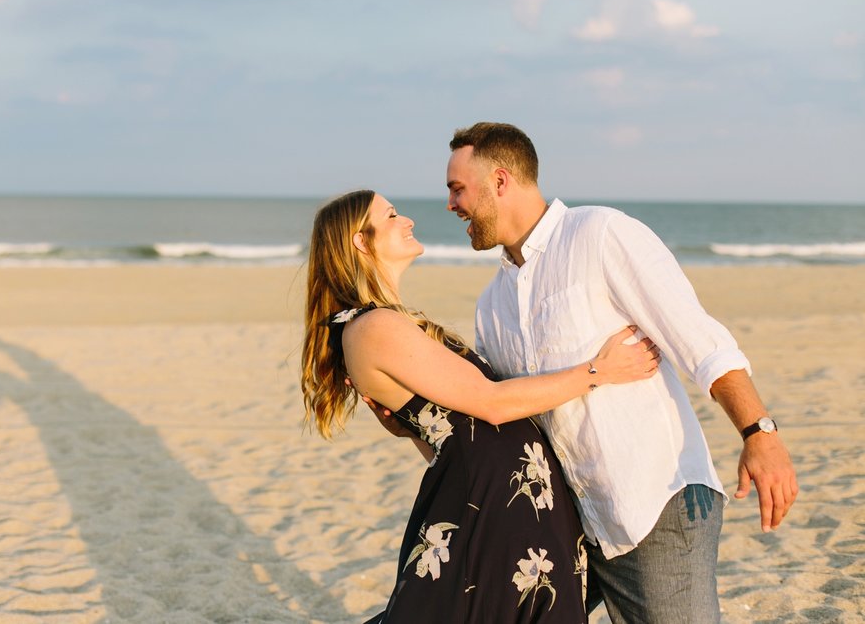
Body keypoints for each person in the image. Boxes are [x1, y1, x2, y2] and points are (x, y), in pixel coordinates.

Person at [439, 121, 799, 623]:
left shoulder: (600, 235)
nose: (451, 205)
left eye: (458, 189)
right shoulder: (491, 305)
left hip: (656, 504)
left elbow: (696, 337)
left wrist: (759, 432)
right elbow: (508, 415)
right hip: (579, 527)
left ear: (500, 181)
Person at [300, 189, 662, 623]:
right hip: (494, 505)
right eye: (392, 215)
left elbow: (453, 434)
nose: (408, 221)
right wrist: (599, 371)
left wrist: (411, 428)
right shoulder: (373, 326)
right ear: (361, 241)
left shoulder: (385, 321)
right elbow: (490, 404)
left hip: (505, 496)